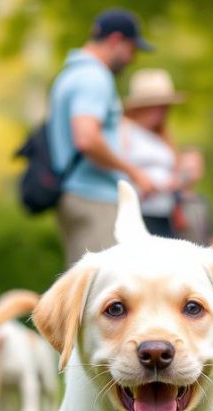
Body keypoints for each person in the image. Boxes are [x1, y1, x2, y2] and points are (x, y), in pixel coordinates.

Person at [46, 8, 156, 266]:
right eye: (131, 49)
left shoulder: (69, 74)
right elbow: (86, 137)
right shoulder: (94, 76)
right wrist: (133, 172)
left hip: (72, 192)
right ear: (116, 40)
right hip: (92, 195)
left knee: (82, 283)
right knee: (102, 284)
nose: (132, 58)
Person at [121, 68, 185, 238]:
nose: (162, 110)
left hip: (164, 213)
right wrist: (142, 181)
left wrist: (175, 183)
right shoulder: (125, 130)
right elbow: (119, 166)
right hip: (139, 213)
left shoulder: (163, 136)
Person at [174, 147, 213, 249]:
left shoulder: (204, 202)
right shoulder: (170, 200)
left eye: (197, 165)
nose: (193, 166)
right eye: (189, 164)